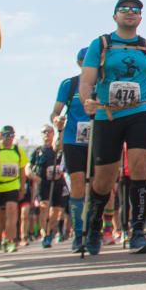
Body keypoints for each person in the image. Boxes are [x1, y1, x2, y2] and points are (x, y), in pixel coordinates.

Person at [79, 0, 146, 255]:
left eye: (136, 10)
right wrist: (87, 101)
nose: (130, 13)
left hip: (139, 111)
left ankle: (138, 230)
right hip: (108, 115)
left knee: (139, 168)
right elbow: (87, 80)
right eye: (124, 10)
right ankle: (93, 227)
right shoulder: (102, 44)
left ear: (140, 18)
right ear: (115, 16)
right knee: (104, 178)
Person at [50, 48, 91, 252]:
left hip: (97, 139)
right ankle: (79, 232)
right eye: (85, 61)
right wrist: (57, 120)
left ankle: (96, 228)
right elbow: (55, 112)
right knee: (77, 184)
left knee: (99, 185)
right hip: (73, 140)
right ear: (79, 63)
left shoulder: (102, 83)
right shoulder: (70, 84)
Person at [0, 126, 27, 253]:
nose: (8, 138)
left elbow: (22, 171)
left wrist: (22, 188)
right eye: (5, 135)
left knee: (12, 213)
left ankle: (9, 241)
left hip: (12, 185)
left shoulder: (18, 150)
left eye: (11, 135)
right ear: (0, 136)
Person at [28, 125, 67, 248]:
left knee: (55, 210)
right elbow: (28, 166)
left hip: (57, 182)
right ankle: (45, 233)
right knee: (44, 206)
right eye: (44, 132)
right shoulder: (38, 151)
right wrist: (32, 175)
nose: (46, 134)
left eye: (49, 131)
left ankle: (50, 230)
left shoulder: (58, 149)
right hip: (43, 182)